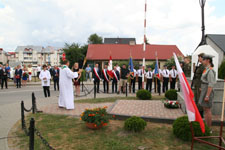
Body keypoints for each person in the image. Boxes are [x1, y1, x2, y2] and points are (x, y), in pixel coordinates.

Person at [198, 54, 216, 130]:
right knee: (205, 109)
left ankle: (208, 128)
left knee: (207, 110)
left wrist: (207, 95)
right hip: (204, 90)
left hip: (207, 92)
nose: (202, 61)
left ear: (208, 60)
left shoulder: (210, 70)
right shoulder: (206, 69)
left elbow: (211, 84)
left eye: (204, 59)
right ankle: (206, 126)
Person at [193, 53, 205, 118]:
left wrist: (202, 86)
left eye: (199, 57)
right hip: (197, 84)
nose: (198, 59)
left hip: (200, 85)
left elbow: (204, 77)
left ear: (202, 58)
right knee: (197, 99)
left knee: (200, 99)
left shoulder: (203, 66)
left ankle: (201, 114)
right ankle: (198, 112)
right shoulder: (200, 65)